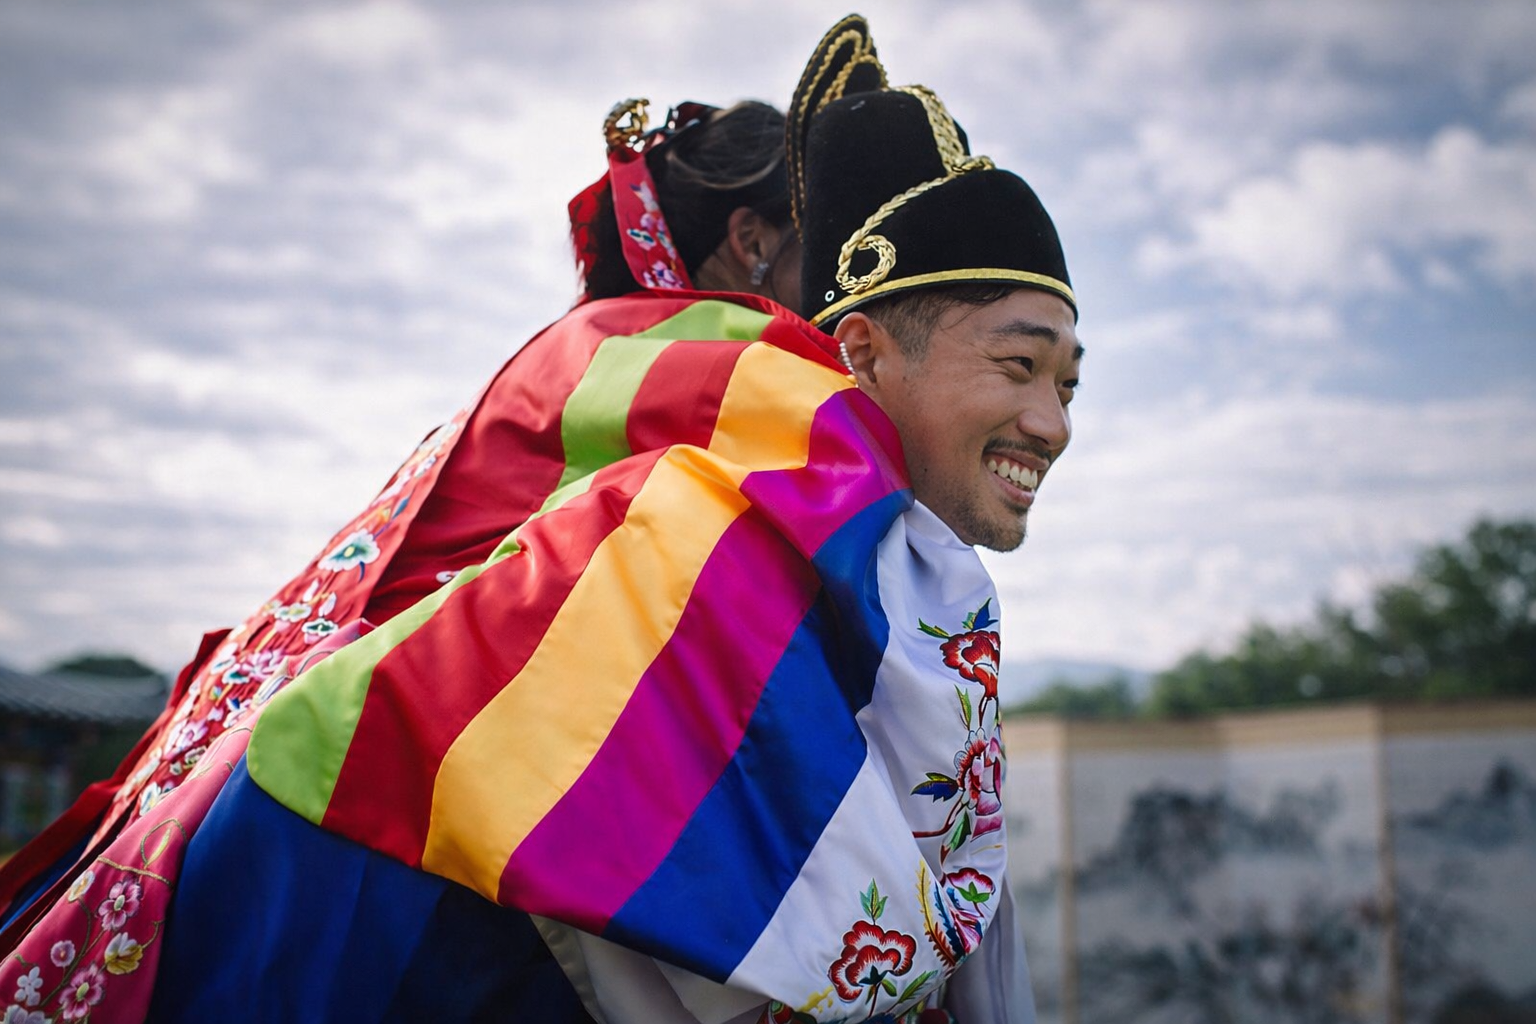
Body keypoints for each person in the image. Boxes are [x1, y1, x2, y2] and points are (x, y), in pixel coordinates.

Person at [0, 15, 1082, 1023]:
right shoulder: (754, 404)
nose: (1053, 422)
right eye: (1016, 362)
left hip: (279, 780)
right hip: (372, 829)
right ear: (767, 255)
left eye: (1069, 382)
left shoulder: (593, 357)